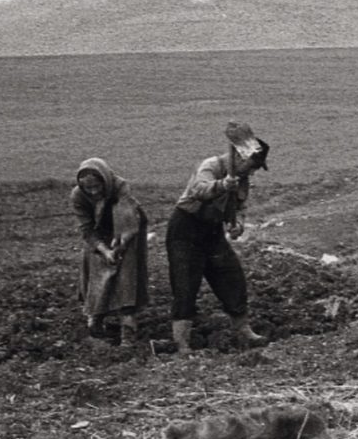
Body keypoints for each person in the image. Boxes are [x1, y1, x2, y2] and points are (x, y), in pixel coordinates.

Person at [166, 122, 270, 351]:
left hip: (212, 232)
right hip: (186, 228)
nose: (252, 172)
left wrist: (238, 225)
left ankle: (243, 330)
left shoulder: (242, 181)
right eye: (252, 166)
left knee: (231, 276)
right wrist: (223, 185)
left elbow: (241, 206)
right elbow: (198, 190)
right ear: (241, 159)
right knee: (185, 284)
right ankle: (181, 342)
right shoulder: (211, 165)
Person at [70, 158, 149, 344]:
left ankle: (128, 332)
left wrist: (120, 244)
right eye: (88, 189)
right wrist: (104, 250)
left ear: (104, 181)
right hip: (98, 235)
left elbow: (128, 221)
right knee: (96, 277)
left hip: (126, 230)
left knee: (126, 278)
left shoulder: (120, 187)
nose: (93, 192)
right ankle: (95, 325)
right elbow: (87, 229)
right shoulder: (78, 196)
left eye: (97, 186)